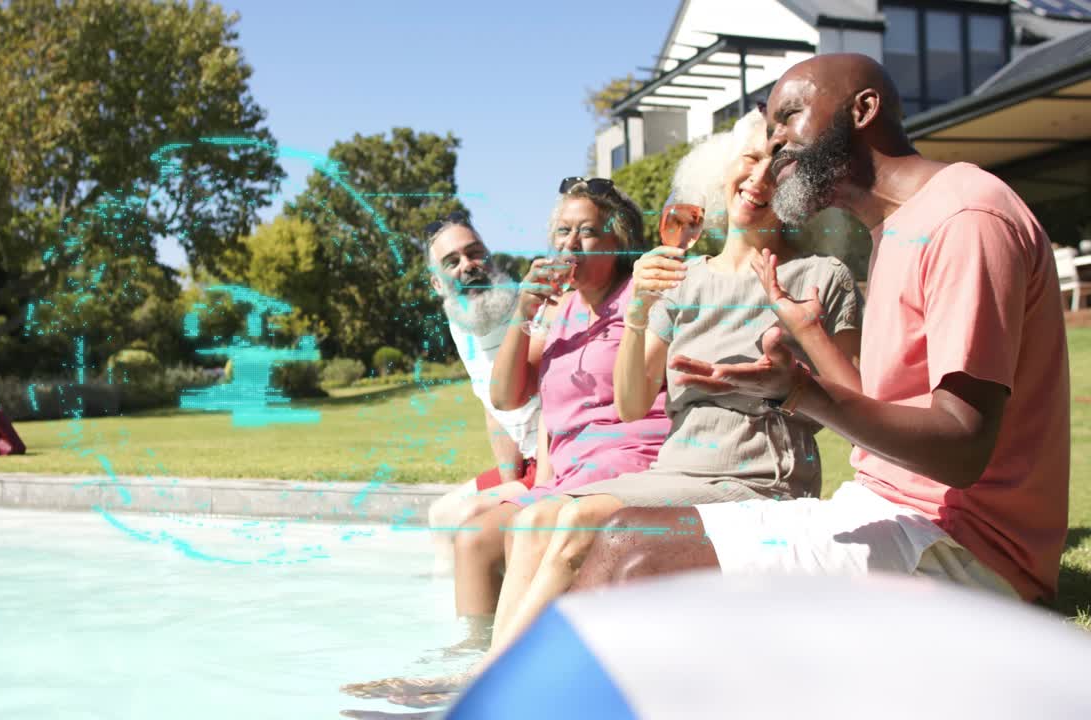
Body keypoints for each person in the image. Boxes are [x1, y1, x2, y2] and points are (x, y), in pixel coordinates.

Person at [574, 53, 1070, 607]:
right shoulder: (896, 228)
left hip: (970, 553)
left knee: (633, 555)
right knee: (623, 536)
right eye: (768, 130)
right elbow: (884, 410)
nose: (776, 142)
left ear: (863, 109)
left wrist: (802, 393)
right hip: (886, 508)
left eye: (788, 117)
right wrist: (809, 334)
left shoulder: (965, 219)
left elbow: (962, 451)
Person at [472, 108, 866, 666]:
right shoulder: (685, 279)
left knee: (576, 520)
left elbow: (858, 405)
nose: (758, 177)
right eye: (750, 160)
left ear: (800, 191)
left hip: (758, 479)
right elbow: (633, 403)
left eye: (777, 169)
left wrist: (798, 370)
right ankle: (493, 674)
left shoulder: (822, 277)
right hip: (678, 473)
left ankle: (488, 687)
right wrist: (639, 310)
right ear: (721, 172)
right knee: (539, 516)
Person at [341, 178, 669, 704]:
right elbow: (506, 396)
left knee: (523, 526)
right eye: (561, 231)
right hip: (567, 475)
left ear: (618, 240)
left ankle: (490, 682)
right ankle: (469, 660)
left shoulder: (643, 299)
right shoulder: (560, 311)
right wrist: (524, 310)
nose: (570, 243)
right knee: (472, 536)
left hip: (628, 464)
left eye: (587, 232)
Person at [422, 213, 544, 576]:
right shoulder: (462, 320)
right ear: (437, 285)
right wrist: (510, 484)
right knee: (440, 515)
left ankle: (485, 625)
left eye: (475, 254)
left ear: (491, 259)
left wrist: (516, 492)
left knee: (468, 516)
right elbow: (491, 407)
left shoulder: (533, 309)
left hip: (560, 461)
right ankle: (457, 619)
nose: (467, 266)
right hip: (529, 467)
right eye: (452, 262)